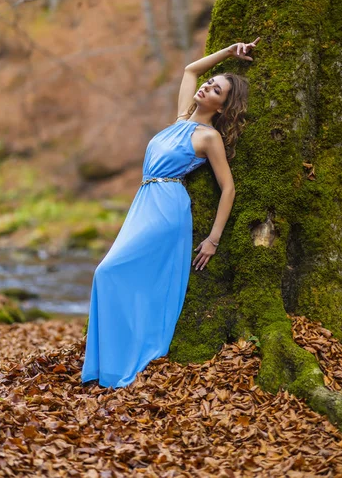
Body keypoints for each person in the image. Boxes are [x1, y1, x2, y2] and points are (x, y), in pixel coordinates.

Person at [81, 38, 260, 388]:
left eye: (216, 90)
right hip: (144, 201)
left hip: (167, 207)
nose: (206, 86)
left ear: (222, 107)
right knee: (115, 275)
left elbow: (229, 188)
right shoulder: (180, 118)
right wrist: (229, 52)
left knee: (109, 271)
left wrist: (213, 238)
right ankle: (106, 364)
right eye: (211, 83)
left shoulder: (208, 136)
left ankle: (128, 360)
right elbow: (191, 70)